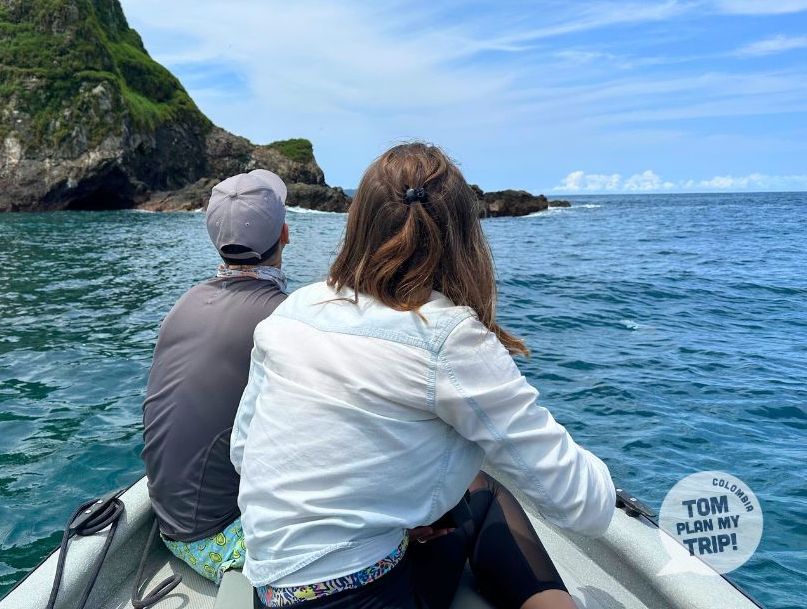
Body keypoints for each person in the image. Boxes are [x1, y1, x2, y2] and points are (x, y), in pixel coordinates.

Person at [230, 143, 616, 609]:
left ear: (359, 224)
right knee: (486, 495)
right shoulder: (450, 336)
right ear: (463, 239)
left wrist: (397, 513)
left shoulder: (295, 308)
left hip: (268, 592)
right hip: (360, 600)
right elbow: (585, 508)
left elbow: (243, 451)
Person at [142, 169, 291, 585]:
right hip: (220, 539)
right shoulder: (282, 319)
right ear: (285, 234)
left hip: (170, 524)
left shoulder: (184, 304)